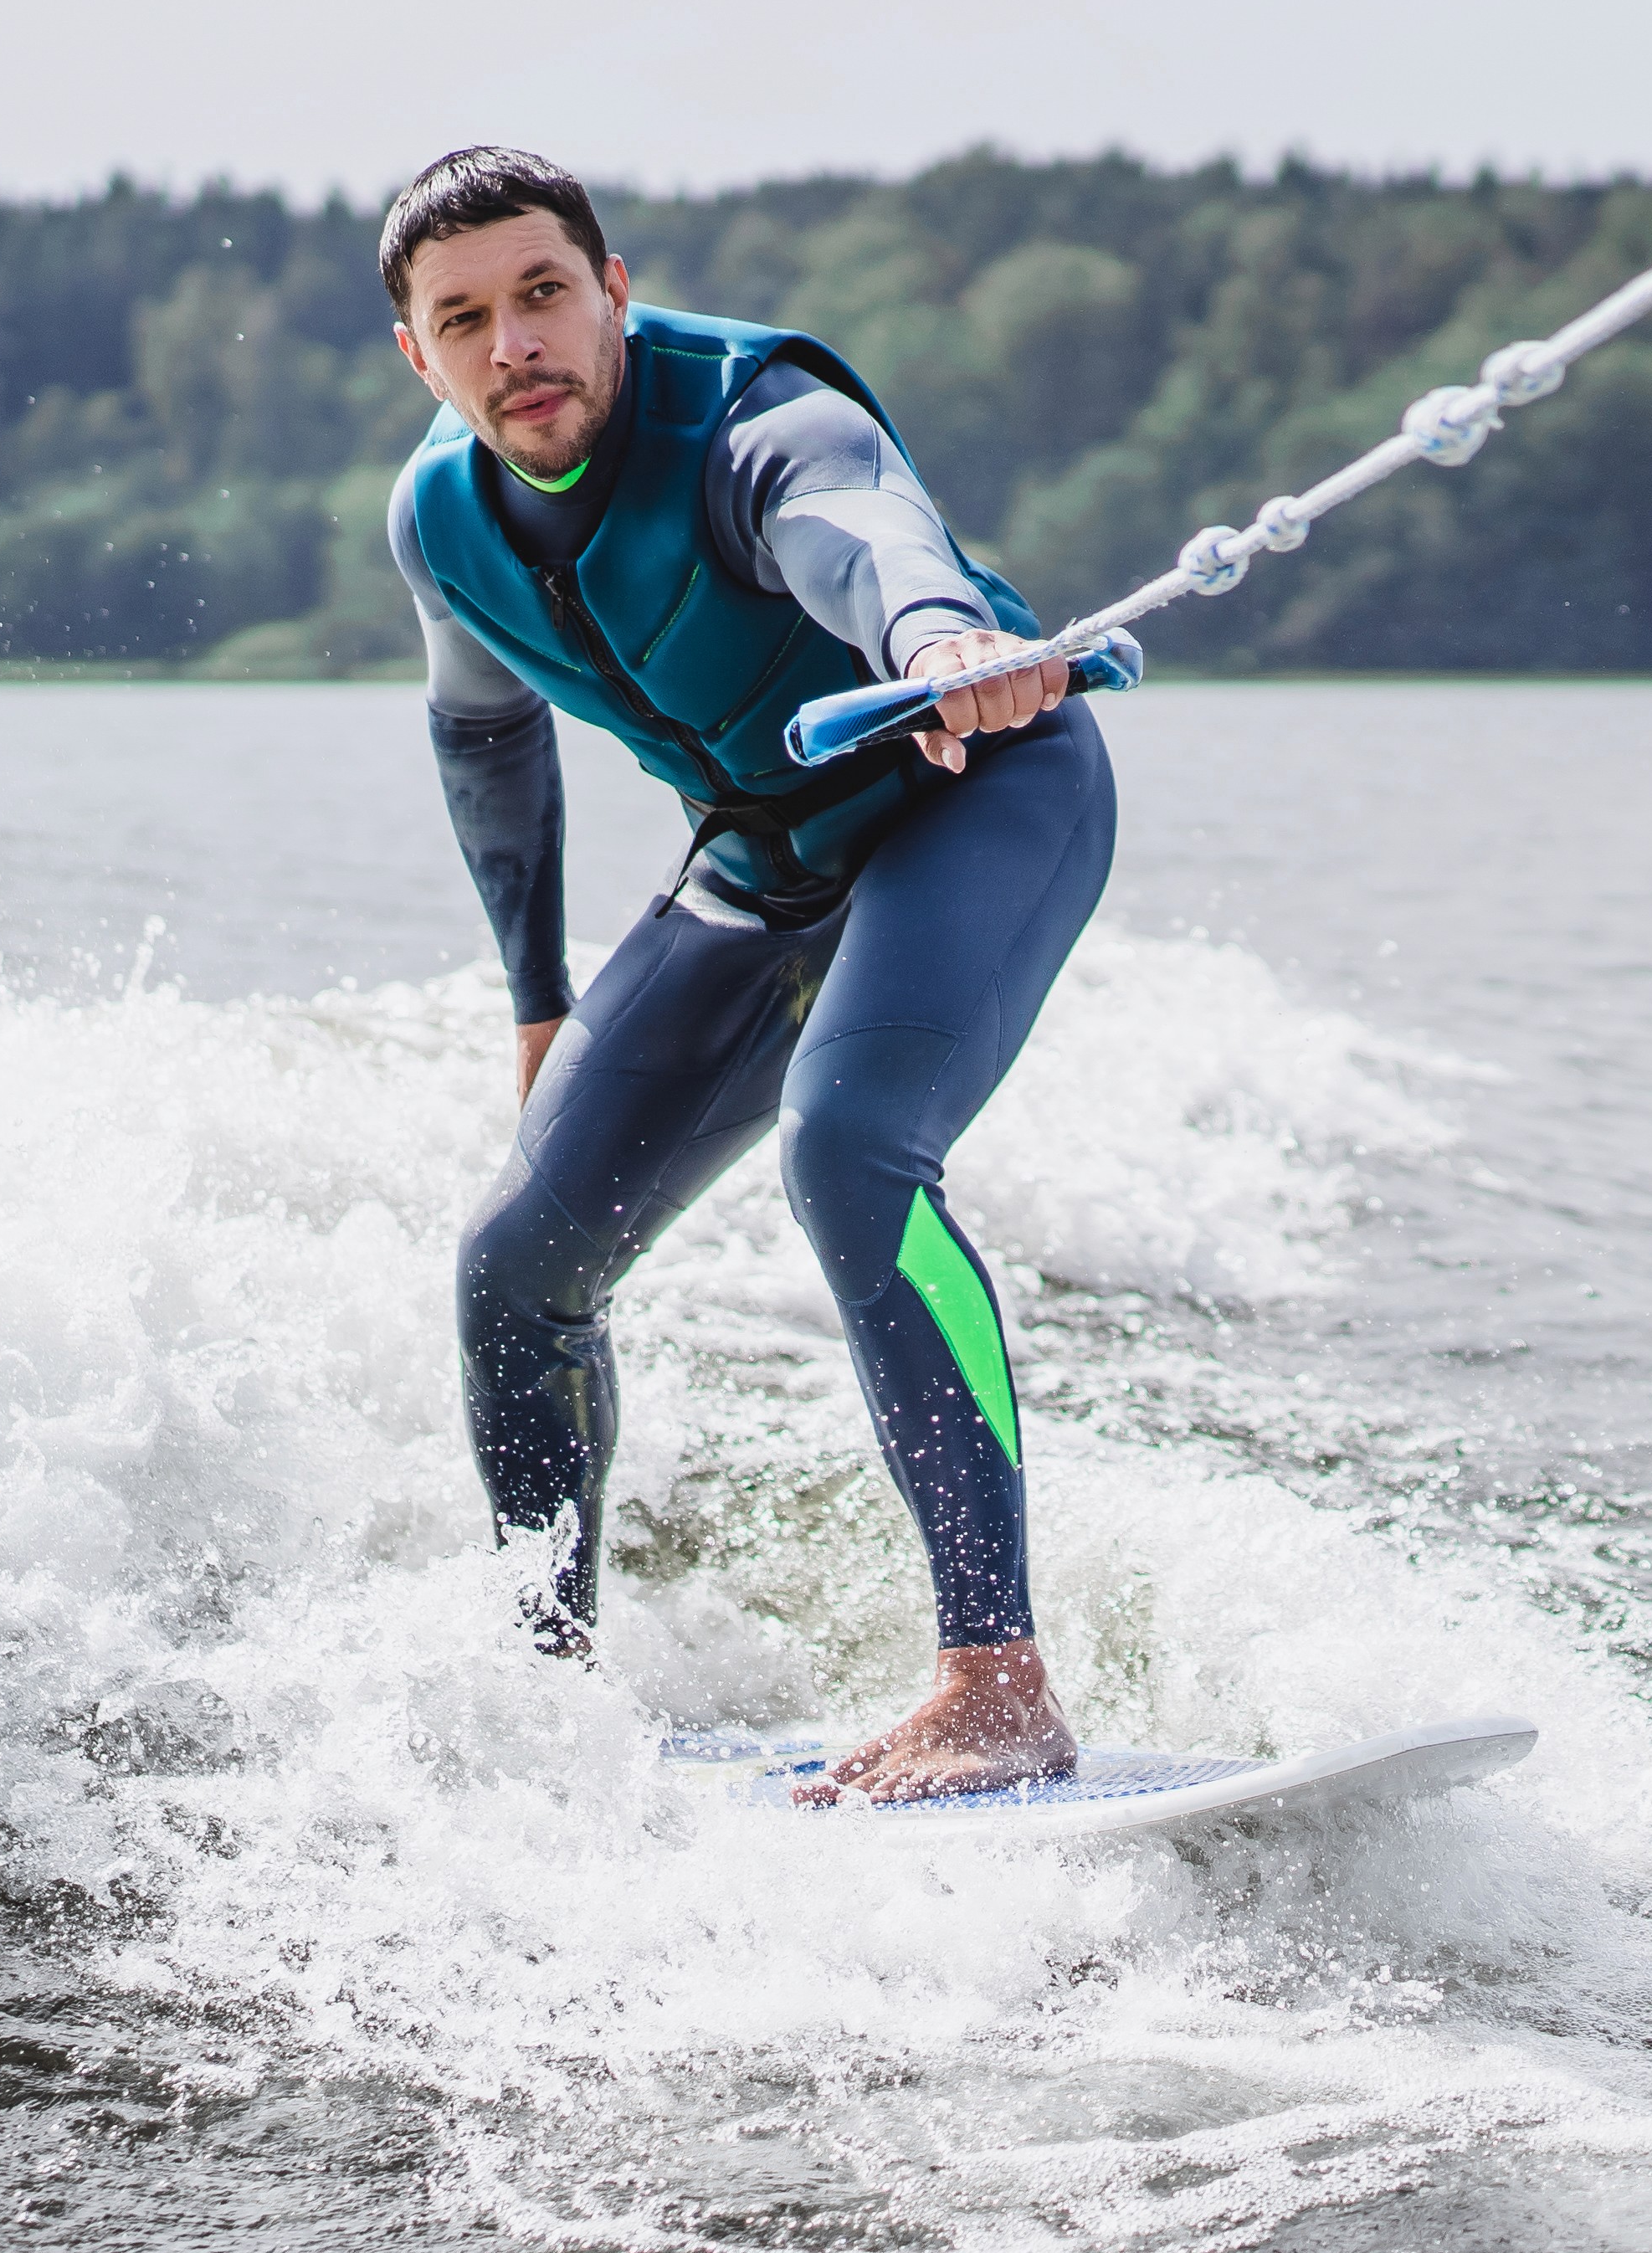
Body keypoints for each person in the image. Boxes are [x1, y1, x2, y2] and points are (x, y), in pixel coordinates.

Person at [375, 144, 1111, 1804]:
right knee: (514, 1266)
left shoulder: (751, 416)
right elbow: (484, 737)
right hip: (756, 856)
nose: (517, 347)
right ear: (417, 357)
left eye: (546, 294)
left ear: (614, 289)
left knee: (848, 1153)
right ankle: (545, 1695)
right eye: (467, 319)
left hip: (973, 787)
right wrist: (534, 995)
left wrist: (935, 643)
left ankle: (992, 1681)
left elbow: (856, 523)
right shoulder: (442, 521)